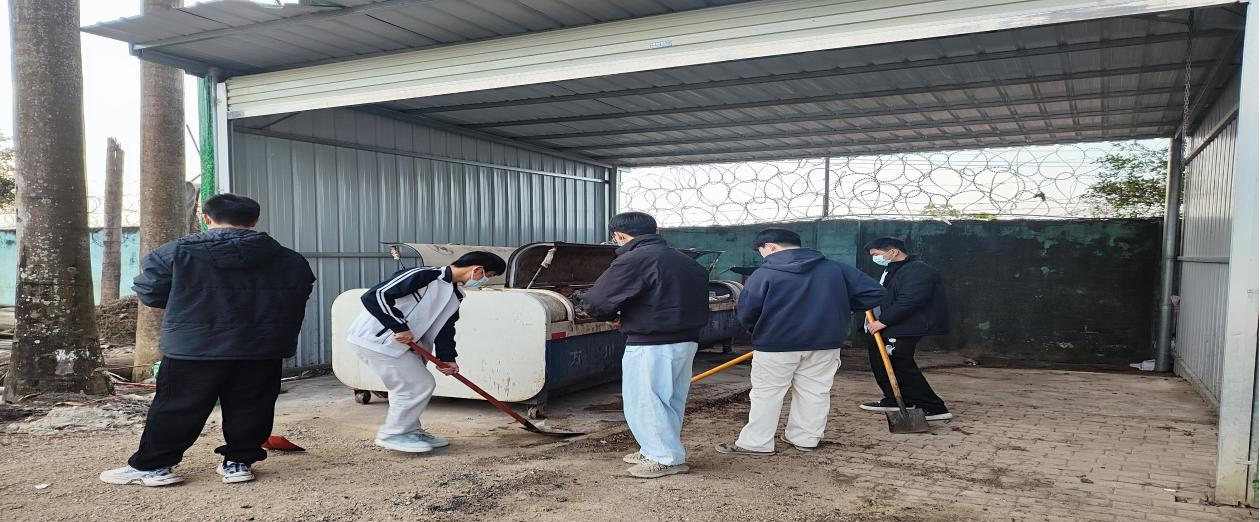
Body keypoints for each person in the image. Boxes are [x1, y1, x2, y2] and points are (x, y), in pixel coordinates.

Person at [100, 194, 316, 487]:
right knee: (252, 405)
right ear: (255, 220)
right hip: (261, 345)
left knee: (178, 406)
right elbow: (298, 293)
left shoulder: (175, 252)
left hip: (194, 346)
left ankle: (154, 466)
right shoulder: (288, 259)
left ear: (206, 218)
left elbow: (150, 292)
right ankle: (239, 463)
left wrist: (187, 303)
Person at [715, 229, 886, 456]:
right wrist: (841, 307)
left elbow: (747, 312)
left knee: (767, 394)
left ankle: (756, 443)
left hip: (776, 344)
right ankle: (806, 439)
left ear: (770, 247)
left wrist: (758, 330)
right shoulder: (835, 269)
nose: (762, 255)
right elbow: (875, 292)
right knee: (815, 392)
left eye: (761, 250)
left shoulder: (764, 274)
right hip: (825, 343)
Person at [581, 212, 709, 479]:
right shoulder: (686, 261)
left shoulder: (635, 259)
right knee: (670, 400)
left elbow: (595, 301)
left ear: (618, 235)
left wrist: (611, 316)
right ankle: (654, 449)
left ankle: (664, 458)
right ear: (656, 232)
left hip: (652, 342)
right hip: (686, 340)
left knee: (646, 401)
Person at [345, 251, 507, 454]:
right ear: (477, 269)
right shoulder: (425, 275)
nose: (484, 281)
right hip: (376, 340)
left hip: (406, 347)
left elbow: (445, 329)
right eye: (488, 276)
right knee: (418, 384)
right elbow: (375, 296)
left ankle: (410, 430)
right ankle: (393, 434)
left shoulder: (455, 295)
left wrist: (448, 358)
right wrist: (398, 326)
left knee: (407, 387)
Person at [860, 237, 953, 421]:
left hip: (904, 326)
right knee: (881, 362)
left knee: (901, 365)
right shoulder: (893, 270)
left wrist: (883, 321)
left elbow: (911, 300)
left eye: (876, 254)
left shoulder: (917, 270)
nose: (875, 258)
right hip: (890, 325)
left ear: (893, 252)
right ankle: (896, 399)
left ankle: (933, 407)